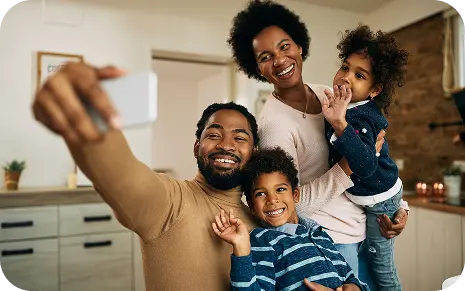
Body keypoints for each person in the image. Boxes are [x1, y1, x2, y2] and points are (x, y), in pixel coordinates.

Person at [31, 63, 350, 291]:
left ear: (253, 152)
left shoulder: (265, 216)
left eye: (240, 137)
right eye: (214, 134)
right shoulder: (167, 201)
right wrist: (85, 124)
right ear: (197, 146)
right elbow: (120, 173)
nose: (226, 144)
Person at [227, 1, 409, 288]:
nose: (279, 60)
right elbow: (292, 203)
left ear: (299, 46)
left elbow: (376, 154)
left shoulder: (329, 95)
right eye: (265, 56)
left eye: (285, 46)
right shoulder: (274, 125)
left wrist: (396, 207)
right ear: (257, 68)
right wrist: (347, 168)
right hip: (331, 243)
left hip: (367, 227)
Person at [321, 24, 409, 291]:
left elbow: (366, 165)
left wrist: (339, 125)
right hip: (369, 199)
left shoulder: (360, 117)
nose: (346, 77)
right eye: (345, 67)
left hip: (381, 200)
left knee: (381, 267)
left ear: (374, 90)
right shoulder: (343, 106)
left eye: (359, 75)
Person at [212, 147, 367, 291]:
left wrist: (355, 287)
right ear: (252, 205)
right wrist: (241, 249)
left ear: (295, 195)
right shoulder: (263, 241)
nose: (272, 200)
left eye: (280, 189)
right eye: (261, 193)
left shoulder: (319, 234)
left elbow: (349, 276)